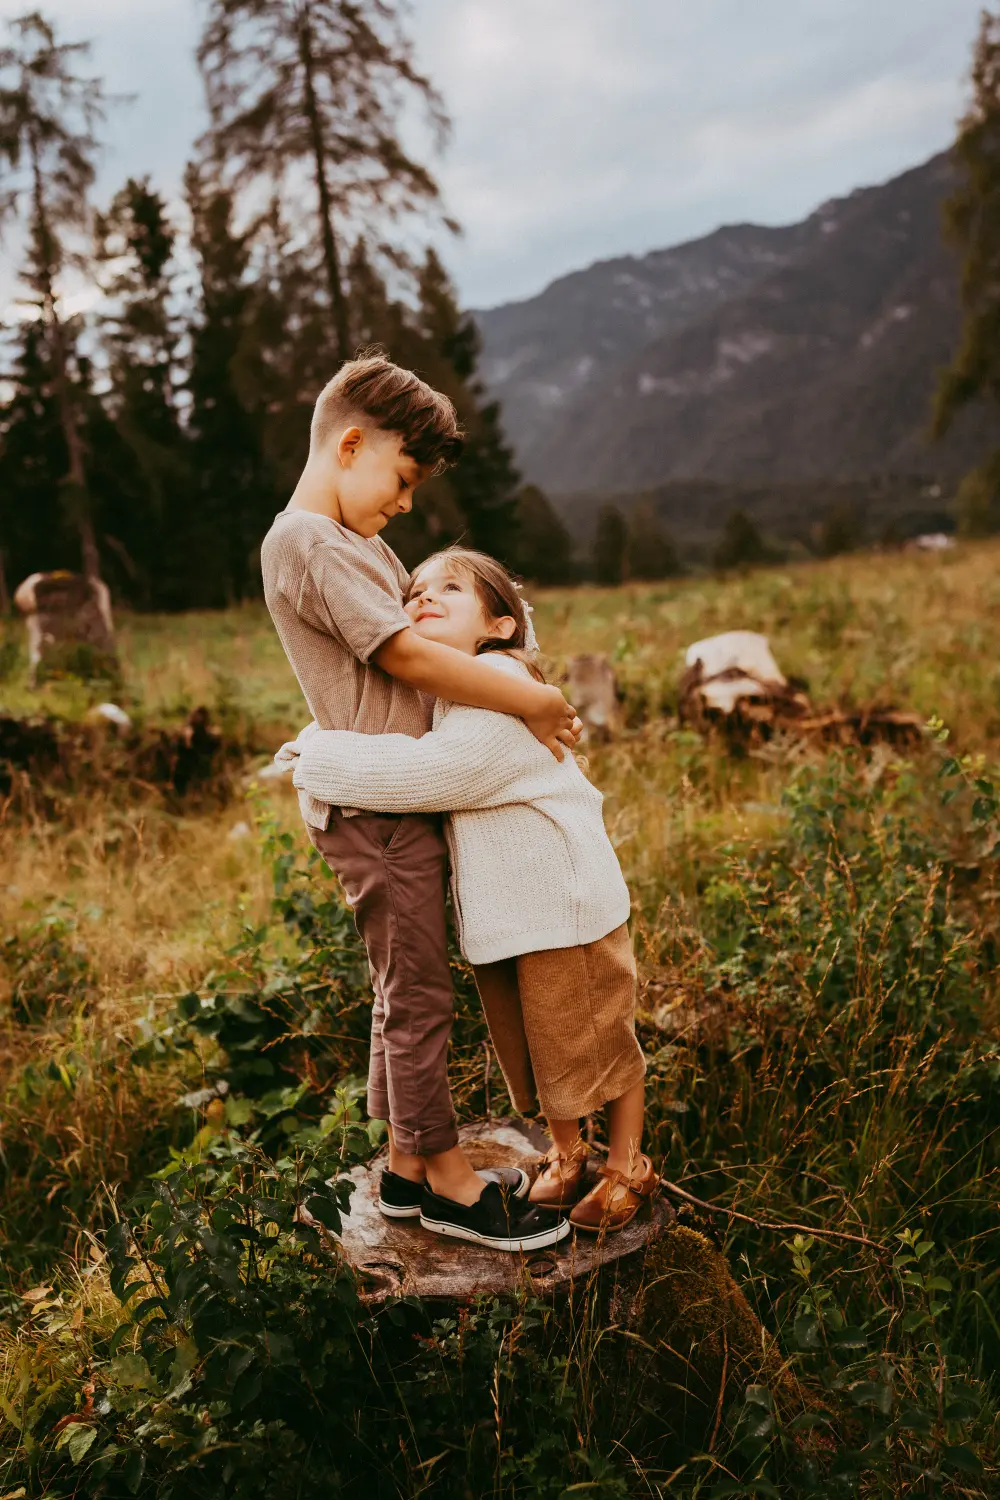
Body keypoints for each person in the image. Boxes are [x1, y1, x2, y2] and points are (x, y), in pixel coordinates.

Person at [261, 354, 580, 1254]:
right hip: (379, 811)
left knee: (406, 987)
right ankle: (445, 1179)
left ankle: (404, 1166)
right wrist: (530, 698)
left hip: (400, 803)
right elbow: (403, 656)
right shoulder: (306, 542)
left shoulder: (357, 543)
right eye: (402, 479)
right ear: (351, 443)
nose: (405, 503)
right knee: (420, 999)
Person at [278, 547, 656, 1236]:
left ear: (501, 626)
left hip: (566, 909)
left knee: (596, 1042)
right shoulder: (453, 693)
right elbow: (399, 746)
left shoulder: (498, 687)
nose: (423, 597)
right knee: (544, 1047)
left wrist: (318, 758)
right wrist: (322, 733)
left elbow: (430, 775)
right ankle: (568, 1154)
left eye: (450, 589)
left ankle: (628, 1163)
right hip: (517, 918)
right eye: (415, 589)